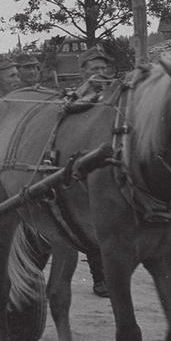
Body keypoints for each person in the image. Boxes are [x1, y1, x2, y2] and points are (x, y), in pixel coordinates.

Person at [75, 45, 114, 298]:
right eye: (94, 69)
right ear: (84, 72)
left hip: (114, 160)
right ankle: (100, 279)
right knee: (93, 223)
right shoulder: (79, 95)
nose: (100, 73)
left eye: (103, 68)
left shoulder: (116, 92)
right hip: (87, 162)